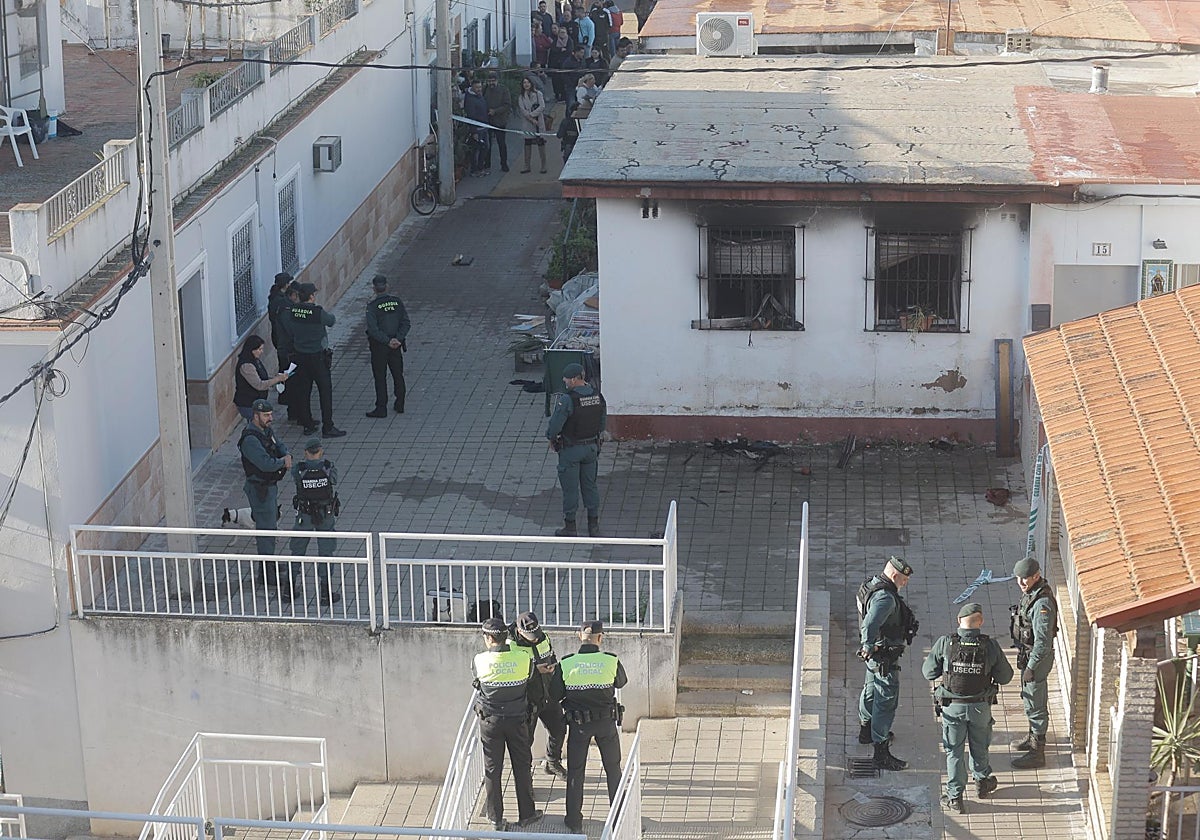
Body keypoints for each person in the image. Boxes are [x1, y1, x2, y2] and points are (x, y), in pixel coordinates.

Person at [922, 603, 1014, 813]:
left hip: (952, 708)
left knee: (954, 752)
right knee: (979, 746)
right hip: (980, 707)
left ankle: (955, 796)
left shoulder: (946, 643)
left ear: (958, 622)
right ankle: (982, 782)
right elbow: (1005, 677)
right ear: (980, 622)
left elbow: (928, 673)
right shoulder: (990, 646)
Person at [472, 617, 544, 831]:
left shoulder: (479, 660)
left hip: (490, 722)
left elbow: (477, 680)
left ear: (488, 638)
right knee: (522, 765)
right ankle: (527, 815)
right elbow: (530, 678)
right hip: (517, 720)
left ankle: (495, 818)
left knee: (493, 769)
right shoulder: (523, 658)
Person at [559, 619, 626, 833]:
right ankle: (617, 817)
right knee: (613, 769)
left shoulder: (567, 663)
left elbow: (554, 694)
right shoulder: (610, 661)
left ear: (579, 637)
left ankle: (573, 821)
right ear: (600, 638)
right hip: (606, 724)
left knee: (575, 772)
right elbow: (621, 682)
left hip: (578, 727)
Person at [857, 555, 919, 771]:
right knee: (885, 701)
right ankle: (881, 752)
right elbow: (870, 624)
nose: (905, 583)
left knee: (870, 691)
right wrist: (868, 645)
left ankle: (865, 731)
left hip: (874, 656)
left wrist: (867, 649)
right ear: (894, 575)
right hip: (883, 656)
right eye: (904, 579)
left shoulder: (871, 583)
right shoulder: (886, 598)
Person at [1009, 554, 1058, 769]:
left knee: (1035, 703)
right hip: (1028, 656)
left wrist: (1031, 667)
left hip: (1036, 660)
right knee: (1030, 700)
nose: (1021, 583)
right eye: (1018, 578)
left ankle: (1038, 753)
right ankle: (1032, 738)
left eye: (1025, 579)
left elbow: (1043, 642)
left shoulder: (1042, 604)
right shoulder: (1032, 593)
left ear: (1036, 576)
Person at [546, 362, 606, 536]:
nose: (564, 381)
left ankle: (570, 527)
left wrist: (551, 437)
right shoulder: (598, 396)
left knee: (570, 489)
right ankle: (593, 525)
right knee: (590, 486)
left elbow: (555, 426)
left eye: (566, 379)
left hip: (571, 450)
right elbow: (602, 423)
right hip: (592, 448)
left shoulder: (567, 400)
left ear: (573, 379)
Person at [280, 283, 345, 438]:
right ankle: (328, 427)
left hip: (300, 356)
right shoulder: (317, 312)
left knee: (304, 391)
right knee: (325, 391)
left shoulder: (292, 312)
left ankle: (307, 424)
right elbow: (331, 320)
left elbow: (288, 329)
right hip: (318, 357)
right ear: (311, 296)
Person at [509, 611, 568, 778]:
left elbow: (550, 654)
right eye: (530, 635)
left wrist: (552, 667)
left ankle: (552, 763)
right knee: (525, 741)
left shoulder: (543, 637)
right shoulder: (511, 646)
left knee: (559, 730)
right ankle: (525, 779)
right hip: (528, 700)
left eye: (536, 633)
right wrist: (536, 670)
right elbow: (514, 673)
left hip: (548, 695)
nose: (535, 638)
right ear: (520, 632)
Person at [286, 438, 343, 605]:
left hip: (305, 515)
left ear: (305, 452)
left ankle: (288, 590)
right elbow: (334, 481)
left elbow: (296, 480)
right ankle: (325, 594)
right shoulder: (328, 467)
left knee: (297, 550)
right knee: (326, 551)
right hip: (325, 515)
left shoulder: (299, 469)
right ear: (321, 451)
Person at [237, 399, 291, 564]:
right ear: (255, 415)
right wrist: (283, 462)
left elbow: (279, 445)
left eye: (271, 414)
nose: (270, 418)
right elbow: (265, 464)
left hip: (269, 487)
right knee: (266, 530)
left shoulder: (266, 431)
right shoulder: (250, 439)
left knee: (270, 526)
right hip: (259, 488)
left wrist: (286, 455)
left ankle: (269, 563)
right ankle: (267, 570)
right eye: (266, 415)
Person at [364, 275, 411, 418]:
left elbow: (373, 329)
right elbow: (406, 323)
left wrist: (386, 341)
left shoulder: (372, 307)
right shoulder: (397, 303)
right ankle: (400, 402)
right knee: (398, 374)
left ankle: (381, 408)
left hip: (380, 347)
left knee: (380, 376)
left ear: (374, 289)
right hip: (396, 345)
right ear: (387, 286)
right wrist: (397, 338)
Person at [233, 335, 290, 422]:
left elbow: (263, 378)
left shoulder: (255, 360)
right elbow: (259, 385)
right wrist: (277, 379)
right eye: (259, 349)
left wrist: (276, 378)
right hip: (248, 403)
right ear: (252, 350)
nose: (261, 352)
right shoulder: (247, 366)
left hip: (256, 402)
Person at [518, 77, 548, 174]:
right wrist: (531, 118)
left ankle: (544, 165)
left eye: (528, 82)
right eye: (524, 82)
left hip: (538, 122)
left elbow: (542, 106)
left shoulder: (538, 94)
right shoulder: (521, 97)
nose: (526, 84)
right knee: (527, 144)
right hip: (527, 124)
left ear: (531, 83)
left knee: (541, 144)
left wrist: (533, 115)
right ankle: (527, 165)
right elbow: (522, 110)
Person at [483, 72, 512, 173]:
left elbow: (507, 105)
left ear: (497, 80)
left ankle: (504, 164)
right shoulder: (485, 89)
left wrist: (495, 111)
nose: (491, 83)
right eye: (489, 81)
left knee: (501, 144)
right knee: (487, 144)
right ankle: (487, 164)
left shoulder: (504, 90)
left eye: (493, 81)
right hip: (488, 121)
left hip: (500, 121)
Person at [463, 78, 491, 175]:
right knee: (477, 149)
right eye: (477, 87)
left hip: (484, 127)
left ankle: (480, 167)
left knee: (485, 148)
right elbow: (471, 116)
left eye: (480, 87)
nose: (479, 89)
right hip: (477, 129)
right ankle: (475, 169)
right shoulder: (470, 100)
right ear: (472, 87)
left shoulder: (480, 97)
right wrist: (473, 131)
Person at [548, 25, 572, 103]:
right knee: (556, 81)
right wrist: (561, 49)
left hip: (565, 65)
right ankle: (557, 95)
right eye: (560, 32)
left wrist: (560, 51)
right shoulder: (555, 41)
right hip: (555, 64)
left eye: (563, 32)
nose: (562, 34)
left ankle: (564, 96)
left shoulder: (569, 41)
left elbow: (569, 51)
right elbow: (553, 50)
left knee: (563, 81)